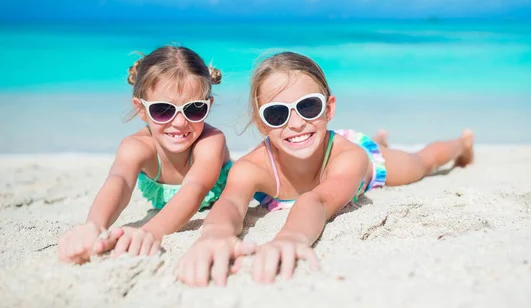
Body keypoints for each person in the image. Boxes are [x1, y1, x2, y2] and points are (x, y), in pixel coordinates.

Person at [177, 51, 474, 287]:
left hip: (361, 167)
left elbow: (316, 200)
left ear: (329, 108)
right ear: (261, 122)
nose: (295, 123)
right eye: (277, 113)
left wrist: (290, 238)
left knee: (419, 164)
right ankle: (384, 139)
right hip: (328, 154)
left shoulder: (351, 157)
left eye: (308, 107)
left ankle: (461, 145)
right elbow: (230, 202)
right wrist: (215, 235)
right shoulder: (252, 168)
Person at [58, 45, 232, 264]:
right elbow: (119, 182)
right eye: (163, 110)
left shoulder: (210, 141)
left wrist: (151, 231)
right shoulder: (136, 147)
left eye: (194, 108)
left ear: (209, 106)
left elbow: (194, 189)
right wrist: (94, 225)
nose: (179, 122)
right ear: (141, 109)